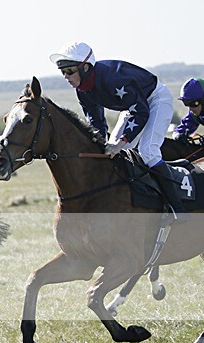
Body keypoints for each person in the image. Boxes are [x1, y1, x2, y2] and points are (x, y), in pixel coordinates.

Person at [50, 42, 189, 224]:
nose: (65, 76)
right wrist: (102, 144)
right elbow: (96, 122)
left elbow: (142, 112)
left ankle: (178, 210)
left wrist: (121, 142)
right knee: (110, 154)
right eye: (62, 72)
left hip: (155, 100)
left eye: (69, 70)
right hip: (132, 107)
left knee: (148, 150)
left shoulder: (112, 79)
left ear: (85, 67)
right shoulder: (82, 90)